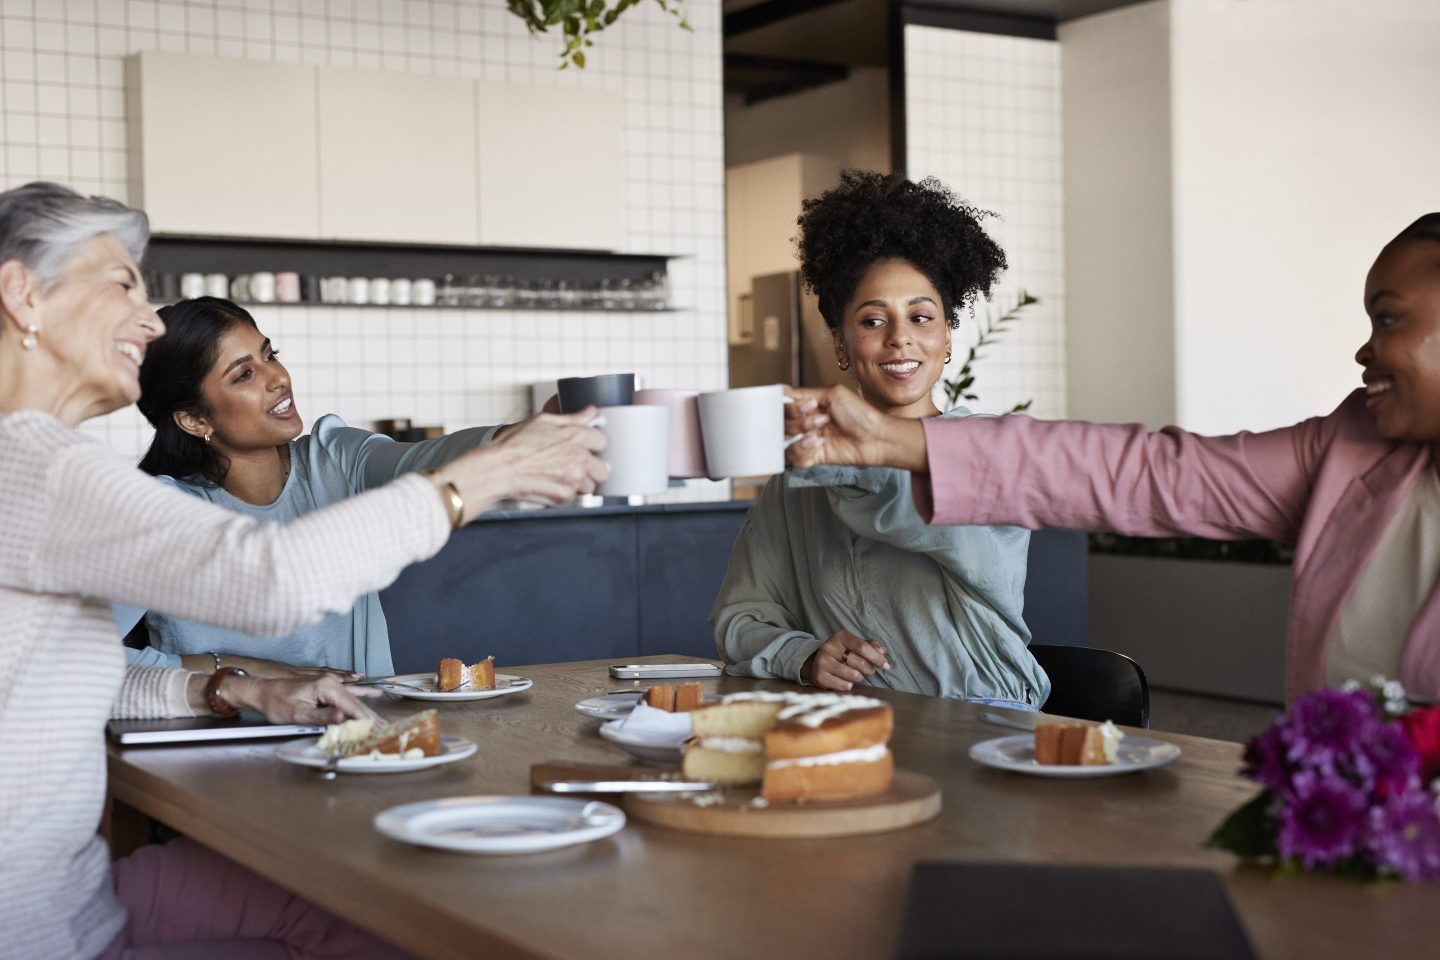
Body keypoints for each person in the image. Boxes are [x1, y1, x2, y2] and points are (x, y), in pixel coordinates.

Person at [0, 181, 606, 959]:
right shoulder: (39, 468)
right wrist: (489, 477)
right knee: (404, 918)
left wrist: (234, 687)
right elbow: (272, 578)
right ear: (22, 295)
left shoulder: (38, 468)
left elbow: (59, 679)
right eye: (122, 284)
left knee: (371, 906)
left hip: (74, 905)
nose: (148, 321)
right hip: (37, 932)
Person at [785, 212, 1440, 703]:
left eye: (1387, 320)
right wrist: (887, 441)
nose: (1365, 352)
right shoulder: (1353, 449)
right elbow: (1144, 475)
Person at [711, 171, 1049, 708]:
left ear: (945, 340)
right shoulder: (796, 483)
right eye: (873, 320)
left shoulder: (987, 455)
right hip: (853, 726)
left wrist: (826, 450)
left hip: (987, 723)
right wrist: (801, 655)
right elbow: (740, 617)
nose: (900, 338)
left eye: (920, 316)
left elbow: (900, 505)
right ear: (841, 343)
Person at [115, 296, 523, 679]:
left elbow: (426, 460)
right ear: (193, 420)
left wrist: (520, 437)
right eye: (244, 374)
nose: (277, 377)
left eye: (270, 354)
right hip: (217, 748)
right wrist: (252, 672)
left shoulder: (334, 459)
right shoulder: (160, 514)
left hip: (357, 742)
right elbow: (85, 660)